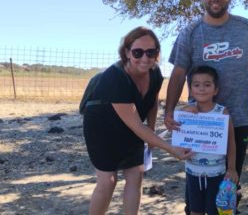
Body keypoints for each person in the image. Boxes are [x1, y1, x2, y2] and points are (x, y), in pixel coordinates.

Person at [164, 0, 248, 211]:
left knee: (230, 179)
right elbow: (179, 72)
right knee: (197, 176)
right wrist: (169, 110)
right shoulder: (190, 32)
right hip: (198, 122)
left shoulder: (246, 28)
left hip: (239, 117)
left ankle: (227, 209)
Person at [83, 26, 193, 215]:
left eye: (151, 52)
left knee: (136, 174)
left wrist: (150, 133)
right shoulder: (114, 78)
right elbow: (134, 124)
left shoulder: (155, 73)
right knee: (108, 180)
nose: (145, 58)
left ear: (157, 54)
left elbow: (152, 103)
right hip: (101, 127)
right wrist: (170, 148)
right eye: (138, 52)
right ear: (127, 52)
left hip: (133, 125)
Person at [181, 65, 238, 215]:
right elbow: (177, 133)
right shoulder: (186, 111)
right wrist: (182, 111)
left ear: (215, 89)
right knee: (195, 211)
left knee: (216, 212)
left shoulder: (222, 112)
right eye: (196, 85)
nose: (201, 89)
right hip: (192, 173)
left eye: (207, 85)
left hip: (217, 174)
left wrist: (231, 168)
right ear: (191, 90)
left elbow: (231, 142)